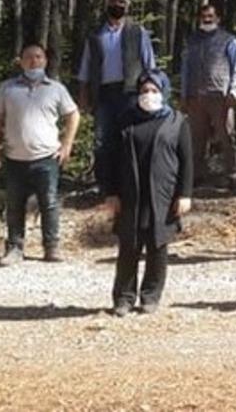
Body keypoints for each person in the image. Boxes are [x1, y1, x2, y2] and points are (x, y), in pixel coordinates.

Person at [99, 70, 193, 316]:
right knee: (128, 246)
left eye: (154, 91)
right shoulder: (125, 120)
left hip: (163, 195)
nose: (148, 95)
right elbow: (108, 157)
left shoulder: (177, 121)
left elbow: (187, 161)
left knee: (157, 246)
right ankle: (123, 298)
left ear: (163, 92)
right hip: (129, 194)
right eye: (144, 91)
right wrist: (110, 192)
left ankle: (150, 296)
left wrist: (185, 194)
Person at [0, 43, 80, 266]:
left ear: (45, 61)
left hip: (46, 158)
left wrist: (67, 144)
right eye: (28, 57)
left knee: (49, 203)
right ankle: (15, 248)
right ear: (21, 61)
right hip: (14, 157)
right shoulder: (7, 88)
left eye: (38, 57)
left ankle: (52, 247)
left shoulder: (56, 89)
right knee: (14, 204)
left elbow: (73, 115)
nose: (33, 61)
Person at [77, 0, 156, 174]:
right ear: (106, 6)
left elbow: (149, 64)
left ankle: (129, 180)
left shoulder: (138, 32)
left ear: (128, 7)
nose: (117, 5)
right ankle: (104, 182)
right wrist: (83, 95)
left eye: (122, 2)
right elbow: (85, 68)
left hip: (130, 91)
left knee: (128, 136)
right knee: (103, 139)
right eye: (113, 2)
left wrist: (150, 89)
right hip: (103, 93)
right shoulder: (95, 35)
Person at [179, 4, 236, 185]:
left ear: (218, 19)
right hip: (195, 96)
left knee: (227, 135)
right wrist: (184, 95)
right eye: (204, 16)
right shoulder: (192, 41)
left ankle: (233, 174)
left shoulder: (228, 40)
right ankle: (197, 175)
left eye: (211, 16)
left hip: (220, 96)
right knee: (196, 138)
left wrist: (234, 91)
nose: (207, 19)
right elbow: (185, 68)